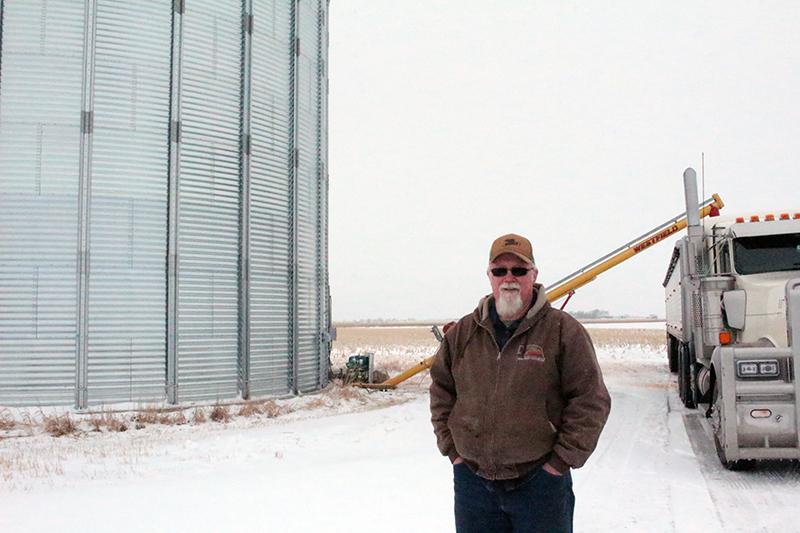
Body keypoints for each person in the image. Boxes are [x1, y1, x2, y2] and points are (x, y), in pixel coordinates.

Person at [429, 233, 611, 533]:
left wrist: (559, 464)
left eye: (519, 270)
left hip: (540, 486)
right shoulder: (463, 333)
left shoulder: (563, 331)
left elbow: (590, 400)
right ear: (490, 276)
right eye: (500, 271)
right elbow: (441, 392)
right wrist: (453, 451)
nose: (509, 278)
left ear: (534, 275)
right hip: (473, 485)